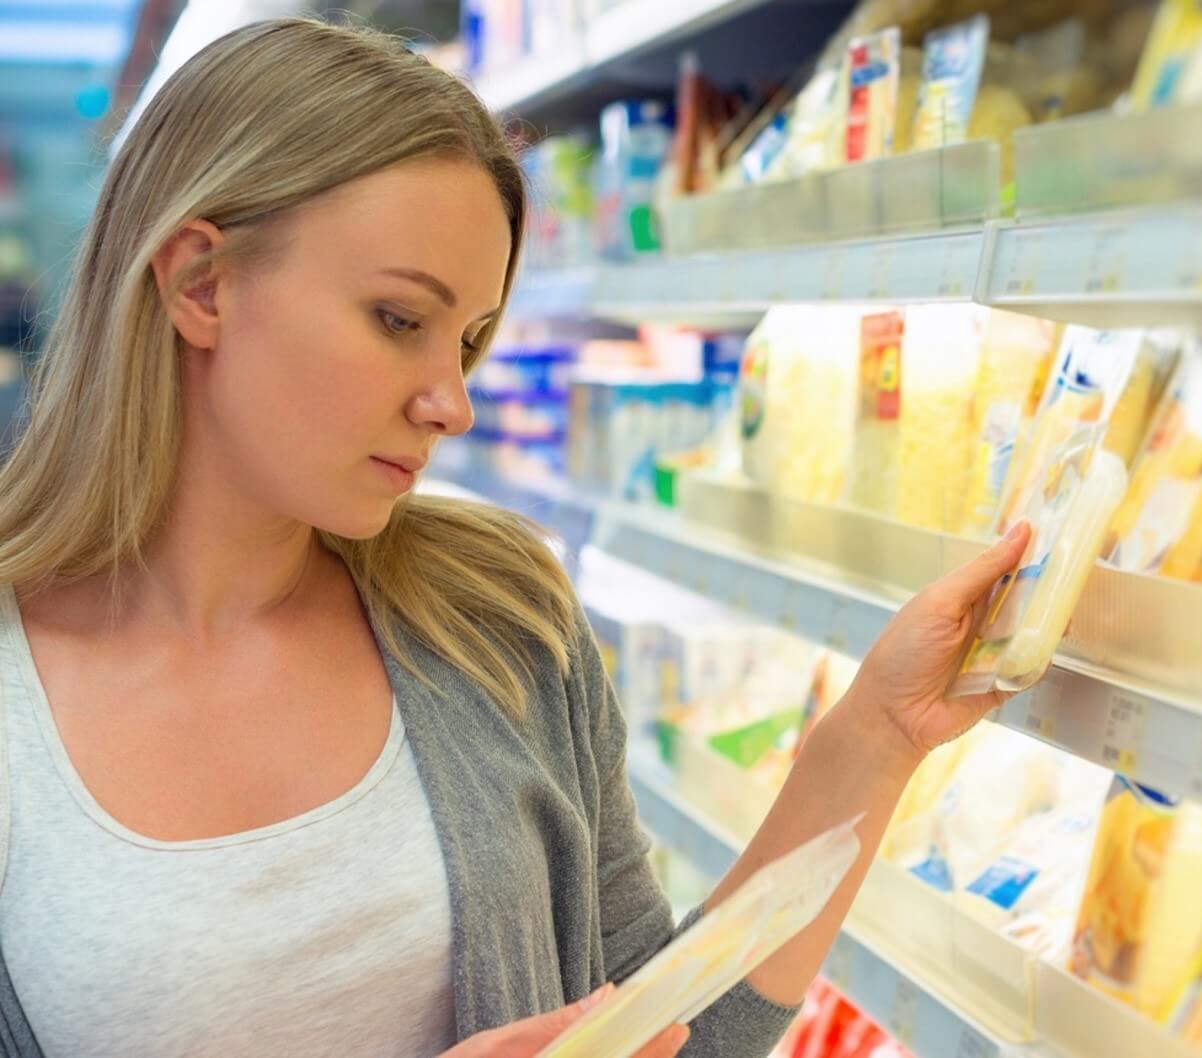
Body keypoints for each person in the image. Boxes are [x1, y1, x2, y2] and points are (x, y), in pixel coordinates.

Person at [0, 18, 1029, 1058]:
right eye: (402, 319)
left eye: (473, 341)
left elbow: (670, 1029)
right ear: (201, 283)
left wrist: (874, 737)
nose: (454, 402)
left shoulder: (496, 626)